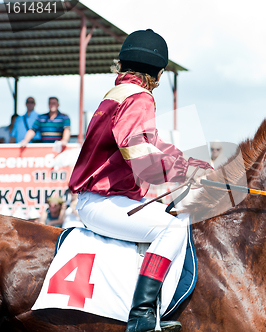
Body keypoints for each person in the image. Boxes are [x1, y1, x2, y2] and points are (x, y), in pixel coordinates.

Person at [68, 29, 212, 332]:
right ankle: (142, 315)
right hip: (102, 201)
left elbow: (153, 143)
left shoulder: (119, 94)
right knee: (175, 225)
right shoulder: (140, 97)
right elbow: (138, 151)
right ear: (158, 73)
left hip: (106, 199)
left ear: (123, 64)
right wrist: (184, 173)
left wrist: (191, 164)